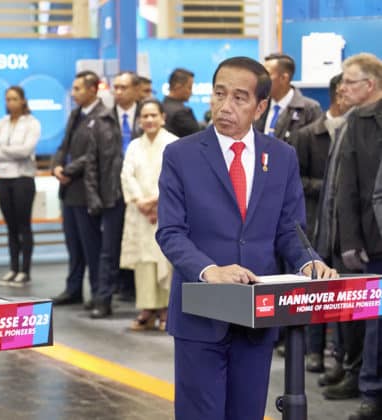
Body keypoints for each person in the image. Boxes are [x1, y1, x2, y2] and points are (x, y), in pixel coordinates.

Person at [156, 56, 337, 420]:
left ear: (261, 107)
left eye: (239, 98)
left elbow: (290, 228)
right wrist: (210, 270)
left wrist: (308, 259)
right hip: (200, 314)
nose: (225, 106)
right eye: (219, 94)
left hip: (259, 315)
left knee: (248, 412)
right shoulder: (181, 155)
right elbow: (170, 232)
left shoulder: (281, 157)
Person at [337, 53, 382, 420]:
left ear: (370, 84)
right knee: (374, 322)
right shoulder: (356, 123)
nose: (342, 87)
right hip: (372, 240)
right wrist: (350, 241)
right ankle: (372, 392)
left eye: (349, 81)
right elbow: (347, 188)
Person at [292, 73, 347, 374]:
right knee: (313, 288)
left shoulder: (358, 131)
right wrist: (328, 185)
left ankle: (339, 356)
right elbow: (296, 180)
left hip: (345, 227)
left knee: (339, 292)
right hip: (314, 221)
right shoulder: (308, 134)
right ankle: (314, 350)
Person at [84, 71, 141, 318]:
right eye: (115, 88)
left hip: (144, 195)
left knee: (149, 250)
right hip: (113, 194)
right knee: (108, 251)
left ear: (137, 90)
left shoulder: (149, 116)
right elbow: (91, 161)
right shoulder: (103, 120)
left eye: (123, 87)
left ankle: (153, 305)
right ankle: (103, 300)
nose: (118, 92)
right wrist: (94, 196)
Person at [120, 99, 176, 331]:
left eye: (154, 115)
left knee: (165, 260)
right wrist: (141, 201)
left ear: (163, 117)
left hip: (166, 211)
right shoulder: (134, 146)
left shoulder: (174, 144)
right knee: (144, 262)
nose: (149, 120)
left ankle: (166, 310)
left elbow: (175, 177)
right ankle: (147, 308)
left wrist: (156, 202)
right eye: (145, 116)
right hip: (140, 212)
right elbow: (127, 175)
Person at [51, 70, 105, 307]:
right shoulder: (75, 115)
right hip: (69, 191)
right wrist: (56, 166)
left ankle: (97, 292)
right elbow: (63, 146)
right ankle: (73, 289)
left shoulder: (103, 116)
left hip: (87, 190)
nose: (73, 94)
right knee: (73, 245)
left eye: (78, 89)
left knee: (91, 246)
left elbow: (95, 155)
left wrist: (69, 170)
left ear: (92, 89)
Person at [0, 86, 40, 287]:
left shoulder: (32, 123)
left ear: (23, 101)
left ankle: (25, 271)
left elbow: (25, 151)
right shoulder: (1, 123)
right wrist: (11, 152)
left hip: (23, 178)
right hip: (3, 178)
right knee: (10, 226)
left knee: (23, 225)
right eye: (8, 99)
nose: (11, 102)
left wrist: (3, 150)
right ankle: (13, 268)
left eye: (15, 98)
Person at [255, 53, 322, 144]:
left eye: (267, 75)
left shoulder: (310, 109)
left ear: (284, 78)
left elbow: (316, 148)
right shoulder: (259, 106)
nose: (261, 80)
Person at [162, 68, 201, 138]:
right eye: (189, 87)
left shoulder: (161, 107)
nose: (191, 92)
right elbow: (197, 138)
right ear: (178, 86)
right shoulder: (182, 112)